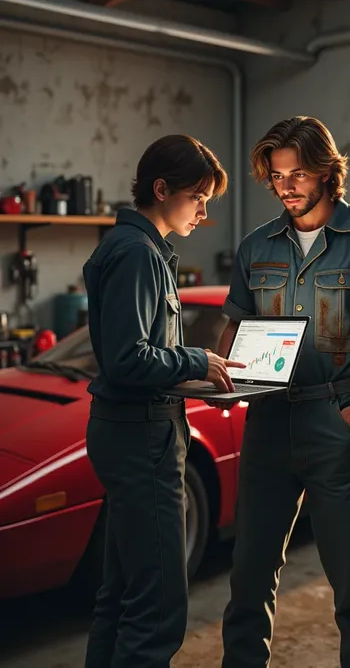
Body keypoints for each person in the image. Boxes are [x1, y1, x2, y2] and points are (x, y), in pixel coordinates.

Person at [215, 116, 350, 668]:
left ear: (328, 173)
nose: (287, 185)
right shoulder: (255, 246)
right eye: (277, 175)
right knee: (248, 583)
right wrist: (229, 373)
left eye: (299, 172)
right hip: (266, 428)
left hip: (339, 424)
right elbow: (233, 328)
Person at [82, 134, 245, 668]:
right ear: (161, 189)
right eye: (197, 197)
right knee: (156, 610)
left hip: (129, 427)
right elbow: (129, 360)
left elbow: (138, 360)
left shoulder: (133, 248)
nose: (203, 211)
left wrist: (193, 381)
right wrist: (198, 362)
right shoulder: (138, 254)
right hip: (142, 438)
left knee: (121, 594)